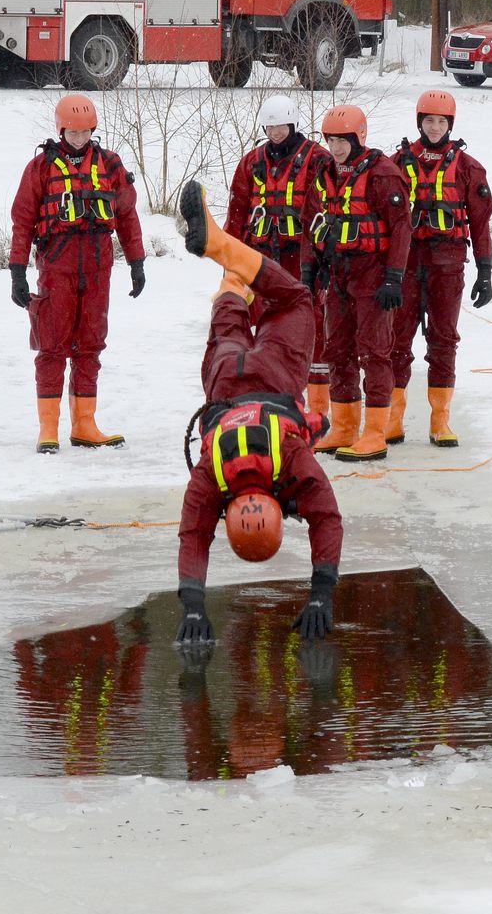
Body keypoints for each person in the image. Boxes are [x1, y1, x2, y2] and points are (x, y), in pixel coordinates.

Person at [175, 181, 343, 645]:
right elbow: (193, 534)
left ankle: (222, 248)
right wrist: (192, 606)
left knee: (293, 300)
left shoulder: (289, 461)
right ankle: (233, 282)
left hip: (275, 377)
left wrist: (321, 593)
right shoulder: (214, 476)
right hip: (225, 380)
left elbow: (327, 518)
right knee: (228, 318)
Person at [8, 93, 146, 452]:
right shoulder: (40, 168)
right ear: (61, 129)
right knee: (52, 346)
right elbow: (22, 222)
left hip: (99, 266)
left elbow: (128, 217)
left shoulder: (110, 165)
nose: (81, 138)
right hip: (57, 266)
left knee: (90, 345)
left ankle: (85, 423)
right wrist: (17, 272)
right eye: (74, 132)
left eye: (87, 132)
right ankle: (48, 428)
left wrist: (137, 262)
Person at [304, 104, 413, 462]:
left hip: (374, 275)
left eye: (342, 141)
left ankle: (375, 432)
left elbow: (400, 228)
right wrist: (312, 268)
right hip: (338, 274)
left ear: (359, 137)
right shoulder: (324, 173)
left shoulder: (384, 175)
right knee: (338, 350)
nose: (335, 148)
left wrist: (394, 277)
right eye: (331, 140)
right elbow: (314, 221)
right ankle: (345, 426)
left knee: (374, 351)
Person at [389, 90, 492, 447]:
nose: (434, 128)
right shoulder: (396, 163)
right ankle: (392, 419)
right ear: (419, 122)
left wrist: (486, 270)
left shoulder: (467, 168)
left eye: (441, 121)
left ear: (450, 124)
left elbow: (480, 223)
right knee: (396, 341)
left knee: (444, 341)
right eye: (428, 120)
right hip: (404, 264)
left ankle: (440, 421)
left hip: (447, 264)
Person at [224, 95, 332, 414]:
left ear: (292, 123)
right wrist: (232, 266)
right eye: (270, 126)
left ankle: (318, 410)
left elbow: (329, 210)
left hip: (302, 259)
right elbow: (237, 214)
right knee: (266, 329)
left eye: (280, 125)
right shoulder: (252, 162)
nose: (275, 132)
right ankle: (274, 402)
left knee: (311, 329)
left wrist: (325, 262)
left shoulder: (317, 160)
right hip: (263, 259)